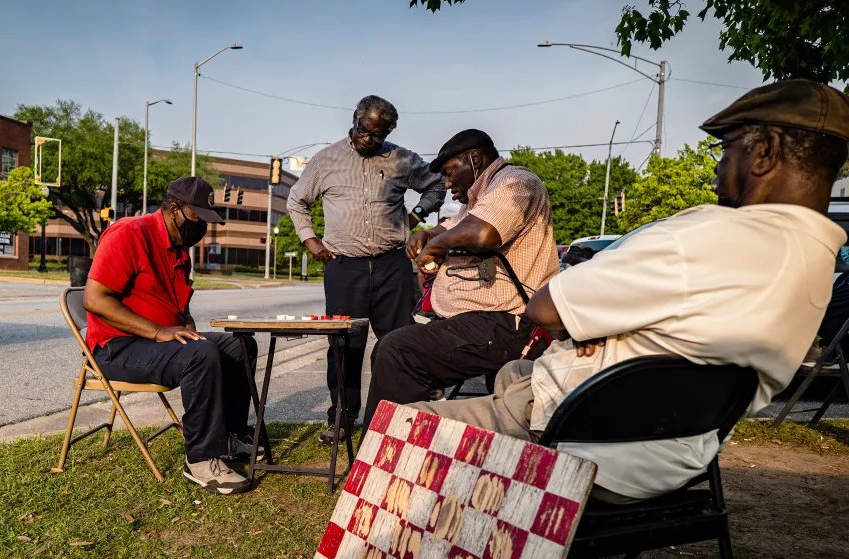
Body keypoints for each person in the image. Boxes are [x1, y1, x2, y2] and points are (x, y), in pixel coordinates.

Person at [409, 80, 849, 504]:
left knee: (404, 428)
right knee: (512, 375)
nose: (717, 165)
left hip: (579, 442)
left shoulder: (702, 235)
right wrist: (609, 333)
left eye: (725, 147)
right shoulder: (817, 264)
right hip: (678, 458)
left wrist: (589, 331)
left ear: (766, 152)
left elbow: (545, 308)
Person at [360, 129, 559, 431]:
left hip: (510, 323)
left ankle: (394, 455)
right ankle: (398, 449)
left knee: (398, 351)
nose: (448, 184)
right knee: (387, 350)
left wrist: (436, 246)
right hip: (477, 321)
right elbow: (448, 228)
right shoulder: (477, 202)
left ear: (475, 159)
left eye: (451, 173)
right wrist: (425, 236)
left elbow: (482, 234)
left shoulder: (515, 183)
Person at [83, 177, 257, 495]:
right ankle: (202, 460)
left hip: (158, 342)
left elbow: (179, 307)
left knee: (238, 343)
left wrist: (186, 327)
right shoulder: (129, 233)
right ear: (175, 210)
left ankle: (229, 436)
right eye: (198, 219)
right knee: (200, 354)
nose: (202, 229)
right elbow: (94, 300)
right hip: (115, 348)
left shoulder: (179, 249)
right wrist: (158, 331)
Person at [287, 95, 445, 445]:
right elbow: (297, 200)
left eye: (377, 134)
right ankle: (342, 419)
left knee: (399, 344)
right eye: (364, 130)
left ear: (388, 131)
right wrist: (310, 240)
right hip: (344, 268)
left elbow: (437, 184)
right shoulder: (326, 159)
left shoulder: (402, 159)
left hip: (393, 265)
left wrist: (416, 216)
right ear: (355, 118)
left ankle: (400, 417)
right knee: (344, 347)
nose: (368, 139)